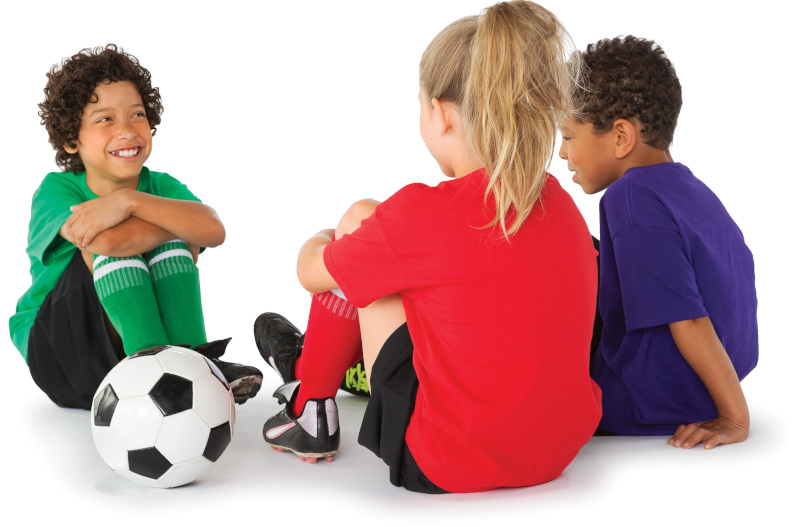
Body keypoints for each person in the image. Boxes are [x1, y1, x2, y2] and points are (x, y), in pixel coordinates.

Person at [256, 0, 602, 493]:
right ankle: (326, 364)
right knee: (436, 275)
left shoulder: (419, 214)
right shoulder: (558, 203)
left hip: (444, 461)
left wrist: (327, 238)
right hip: (556, 453)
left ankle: (311, 401)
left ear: (439, 114)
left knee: (361, 219)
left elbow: (310, 273)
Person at [9, 45, 262, 410]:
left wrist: (131, 202)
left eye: (137, 115)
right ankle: (156, 368)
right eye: (104, 119)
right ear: (70, 139)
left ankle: (192, 361)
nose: (126, 131)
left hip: (115, 355)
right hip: (59, 351)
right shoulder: (56, 190)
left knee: (172, 238)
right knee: (144, 238)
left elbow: (213, 229)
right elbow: (107, 242)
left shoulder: (157, 185)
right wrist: (173, 225)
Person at [559, 36, 757, 448]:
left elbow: (688, 317)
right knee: (573, 248)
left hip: (644, 401)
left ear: (620, 137)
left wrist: (734, 417)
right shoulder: (693, 190)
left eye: (569, 136)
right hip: (702, 383)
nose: (562, 153)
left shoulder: (629, 198)